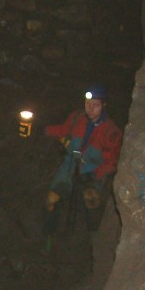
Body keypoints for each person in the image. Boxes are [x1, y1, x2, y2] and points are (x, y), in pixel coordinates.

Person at [43, 84, 123, 248]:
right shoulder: (76, 118)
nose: (91, 109)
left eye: (96, 105)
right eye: (88, 104)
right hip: (70, 165)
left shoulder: (111, 131)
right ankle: (48, 236)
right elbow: (63, 130)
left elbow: (112, 162)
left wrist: (95, 174)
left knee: (91, 199)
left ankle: (95, 240)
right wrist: (42, 129)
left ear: (103, 106)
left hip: (92, 171)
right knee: (52, 199)